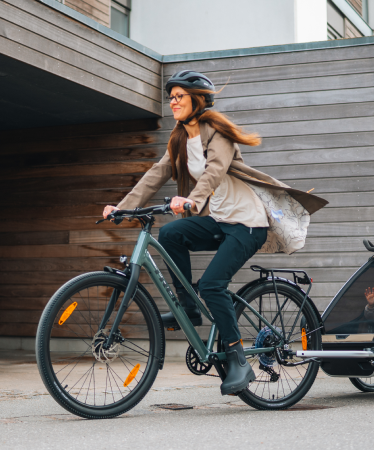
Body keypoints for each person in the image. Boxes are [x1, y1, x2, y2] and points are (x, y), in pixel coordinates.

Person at [102, 70, 326, 395]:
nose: (172, 101)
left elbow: (214, 171)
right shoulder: (179, 138)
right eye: (171, 97)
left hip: (248, 224)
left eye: (179, 96)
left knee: (211, 284)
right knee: (171, 235)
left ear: (198, 100)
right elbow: (157, 172)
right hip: (220, 220)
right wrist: (123, 207)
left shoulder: (217, 133)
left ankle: (237, 358)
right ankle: (188, 308)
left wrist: (192, 201)